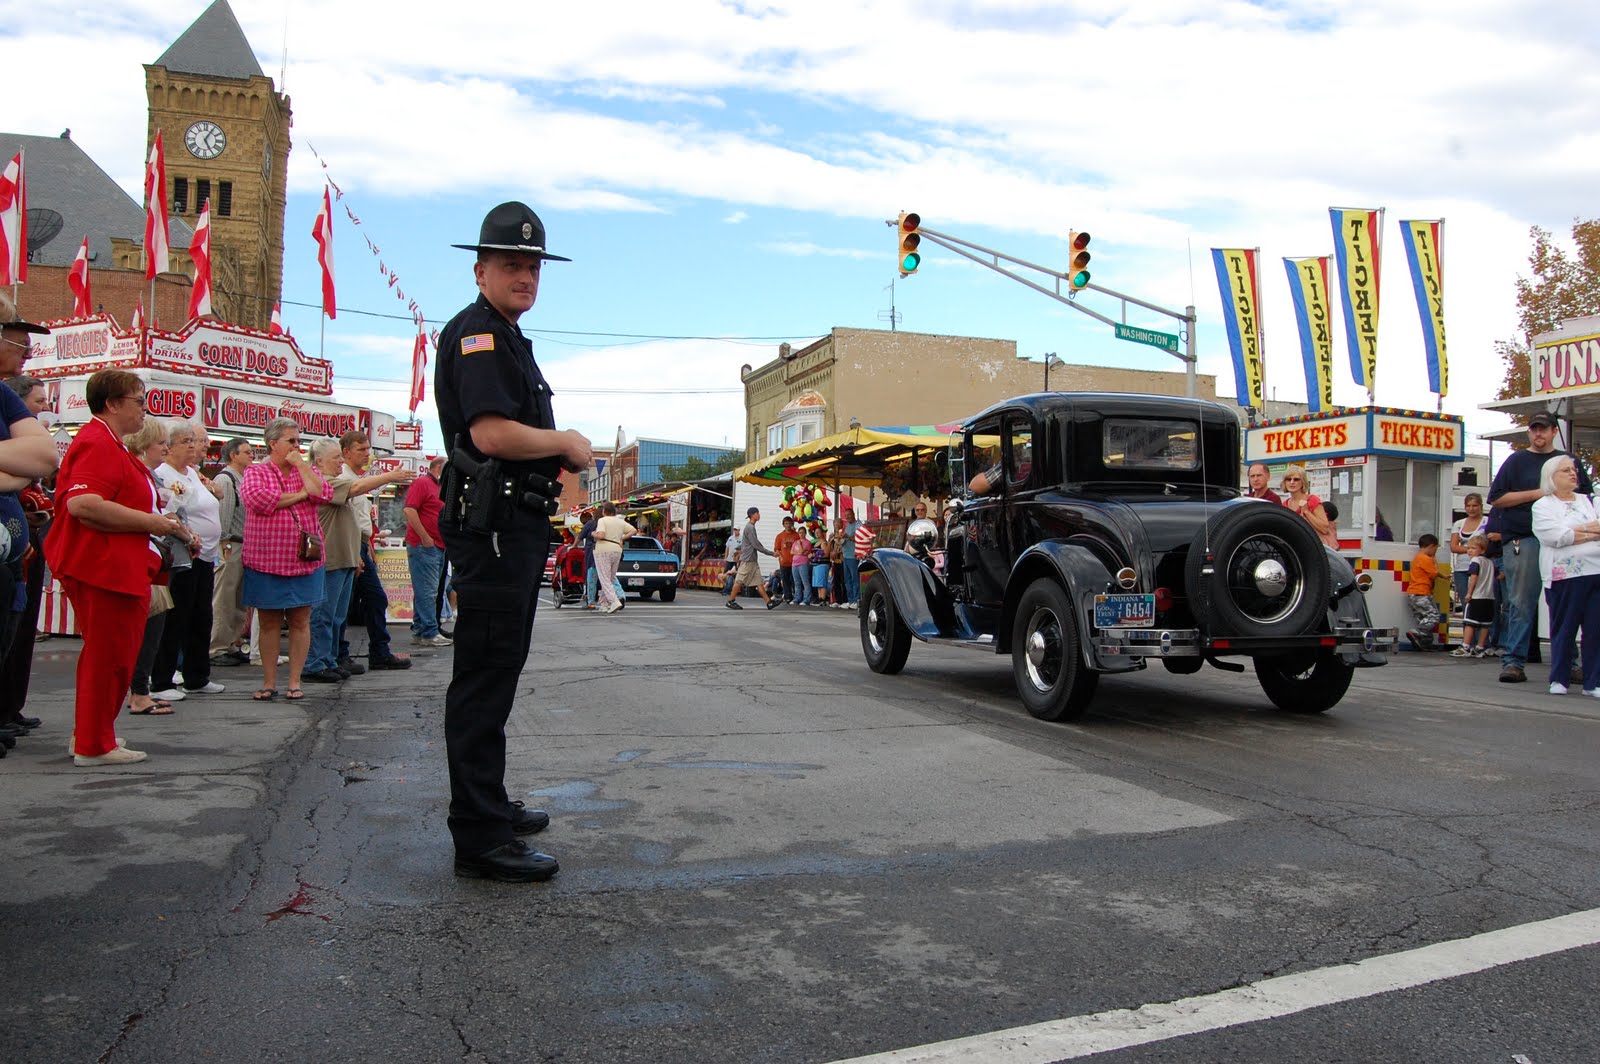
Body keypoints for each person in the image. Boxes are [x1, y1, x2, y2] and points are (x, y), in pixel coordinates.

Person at [435, 200, 593, 882]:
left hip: (510, 527)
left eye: (532, 265)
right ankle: (479, 836)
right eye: (511, 265)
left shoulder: (504, 334)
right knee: (485, 678)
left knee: (495, 676)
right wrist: (564, 442)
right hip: (494, 530)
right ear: (481, 271)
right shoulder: (480, 335)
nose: (525, 275)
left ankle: (489, 805)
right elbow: (491, 434)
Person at [45, 369, 184, 765]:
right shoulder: (97, 442)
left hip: (114, 565)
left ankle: (92, 735)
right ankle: (93, 744)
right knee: (110, 656)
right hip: (102, 567)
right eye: (140, 401)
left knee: (112, 655)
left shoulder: (107, 442)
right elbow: (83, 505)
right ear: (113, 403)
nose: (145, 409)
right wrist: (153, 523)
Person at [1486, 410, 1592, 684]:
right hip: (1525, 537)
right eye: (1534, 429)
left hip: (1567, 540)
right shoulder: (1517, 461)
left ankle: (1570, 663)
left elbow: (1585, 498)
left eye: (1543, 429)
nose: (1538, 434)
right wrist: (1541, 493)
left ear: (1554, 431)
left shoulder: (1569, 462)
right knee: (1521, 601)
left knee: (1565, 601)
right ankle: (1513, 661)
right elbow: (1496, 498)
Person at [239, 417, 333, 703]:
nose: (297, 445)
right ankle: (269, 682)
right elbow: (259, 501)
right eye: (291, 441)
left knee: (300, 620)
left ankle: (295, 681)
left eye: (298, 441)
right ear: (273, 444)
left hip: (304, 561)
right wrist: (301, 495)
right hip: (265, 559)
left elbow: (323, 493)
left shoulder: (306, 470)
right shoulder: (256, 472)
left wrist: (303, 468)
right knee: (268, 621)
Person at [149, 420, 225, 700]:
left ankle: (197, 675)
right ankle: (162, 679)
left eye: (194, 441)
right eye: (186, 441)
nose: (193, 446)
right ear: (169, 448)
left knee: (201, 617)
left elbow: (216, 496)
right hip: (182, 554)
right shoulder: (163, 474)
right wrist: (188, 535)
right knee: (175, 618)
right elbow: (167, 511)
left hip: (205, 555)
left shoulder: (193, 473)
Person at [1, 372, 53, 737]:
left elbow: (40, 460)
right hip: (16, 549)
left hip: (19, 554)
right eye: (36, 401)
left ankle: (8, 708)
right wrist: (17, 472)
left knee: (15, 633)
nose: (44, 407)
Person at [339, 430, 416, 671]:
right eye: (361, 449)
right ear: (346, 452)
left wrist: (370, 541)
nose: (366, 454)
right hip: (349, 546)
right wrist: (389, 475)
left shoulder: (355, 476)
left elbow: (360, 518)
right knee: (344, 604)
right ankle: (340, 654)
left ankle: (379, 651)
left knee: (375, 598)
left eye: (368, 449)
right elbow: (355, 489)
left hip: (361, 544)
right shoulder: (344, 476)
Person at [1530, 454, 1600, 696]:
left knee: (1595, 629)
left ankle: (1593, 682)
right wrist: (1590, 532)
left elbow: (1568, 534)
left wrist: (1573, 531)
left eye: (1573, 469)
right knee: (1564, 628)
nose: (1573, 473)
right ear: (1551, 477)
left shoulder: (1590, 501)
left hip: (1595, 571)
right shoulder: (1543, 505)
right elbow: (1555, 537)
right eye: (1565, 470)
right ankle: (1559, 678)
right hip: (1563, 575)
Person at [124, 419, 180, 715]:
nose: (165, 449)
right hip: (141, 558)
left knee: (152, 626)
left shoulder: (147, 474)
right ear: (144, 444)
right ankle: (138, 692)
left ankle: (141, 689)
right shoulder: (135, 472)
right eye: (160, 443)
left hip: (154, 559)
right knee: (140, 630)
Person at [304, 439, 364, 683]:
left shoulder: (332, 481)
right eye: (336, 457)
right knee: (323, 615)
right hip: (330, 560)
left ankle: (328, 659)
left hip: (345, 558)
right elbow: (356, 488)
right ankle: (315, 662)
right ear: (319, 461)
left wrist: (356, 555)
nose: (341, 461)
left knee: (337, 616)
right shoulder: (322, 483)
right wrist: (391, 475)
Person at [208, 438, 254, 666]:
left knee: (238, 599)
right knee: (225, 597)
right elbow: (223, 515)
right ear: (233, 455)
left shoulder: (242, 479)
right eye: (246, 452)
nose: (251, 455)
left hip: (243, 544)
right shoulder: (226, 480)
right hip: (231, 543)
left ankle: (233, 642)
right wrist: (224, 542)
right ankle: (217, 647)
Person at [404, 456, 451, 646]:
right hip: (425, 545)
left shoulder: (439, 488)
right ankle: (429, 632)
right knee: (428, 591)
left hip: (437, 545)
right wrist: (425, 537)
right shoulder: (423, 483)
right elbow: (409, 510)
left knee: (429, 590)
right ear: (439, 469)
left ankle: (421, 628)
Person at [725, 505, 779, 610]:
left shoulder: (751, 527)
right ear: (752, 515)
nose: (759, 515)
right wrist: (772, 553)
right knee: (739, 581)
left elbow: (746, 544)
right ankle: (731, 600)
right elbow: (756, 545)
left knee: (758, 582)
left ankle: (769, 602)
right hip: (748, 560)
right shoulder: (750, 527)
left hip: (752, 560)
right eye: (757, 513)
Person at [1451, 534, 1495, 659]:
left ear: (1482, 550)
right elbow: (1497, 576)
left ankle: (1465, 646)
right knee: (1484, 624)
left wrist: (1469, 593)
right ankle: (1480, 647)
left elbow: (1473, 577)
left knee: (1470, 622)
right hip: (1489, 597)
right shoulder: (1490, 562)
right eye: (1468, 548)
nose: (1469, 550)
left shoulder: (1475, 561)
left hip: (1477, 596)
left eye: (1473, 548)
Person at [1279, 464, 1339, 549]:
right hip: (1295, 547)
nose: (1292, 482)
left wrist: (1307, 512)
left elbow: (1324, 528)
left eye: (1296, 479)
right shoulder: (1285, 504)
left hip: (1314, 548)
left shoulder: (1312, 500)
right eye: (1288, 479)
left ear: (1303, 482)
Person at [591, 502, 635, 614]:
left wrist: (593, 534)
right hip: (617, 548)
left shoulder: (602, 520)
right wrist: (622, 538)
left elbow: (601, 535)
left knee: (604, 578)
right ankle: (603, 603)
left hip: (603, 549)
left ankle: (614, 601)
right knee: (610, 577)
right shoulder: (620, 521)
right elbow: (633, 530)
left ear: (604, 511)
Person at [1403, 534, 1444, 652]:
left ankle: (1424, 642)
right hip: (1421, 593)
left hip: (1414, 593)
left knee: (1422, 617)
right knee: (1433, 616)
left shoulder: (1418, 558)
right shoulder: (1426, 558)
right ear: (1432, 546)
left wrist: (1444, 576)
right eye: (1435, 549)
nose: (1435, 552)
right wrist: (1434, 560)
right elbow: (1434, 573)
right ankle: (1418, 632)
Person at [1448, 493, 1487, 608]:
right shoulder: (1459, 524)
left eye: (1474, 505)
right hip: (1462, 568)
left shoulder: (1487, 521)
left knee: (1481, 602)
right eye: (1468, 506)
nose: (1471, 509)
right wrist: (1473, 549)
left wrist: (1467, 549)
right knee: (1466, 602)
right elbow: (1453, 547)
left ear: (1481, 506)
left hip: (1481, 567)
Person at [773, 515, 799, 606]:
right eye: (786, 523)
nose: (788, 525)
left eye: (789, 523)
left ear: (792, 524)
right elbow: (776, 549)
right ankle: (788, 597)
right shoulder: (780, 536)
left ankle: (796, 596)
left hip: (795, 562)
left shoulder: (796, 535)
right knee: (785, 580)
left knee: (795, 580)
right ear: (783, 525)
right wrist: (780, 556)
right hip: (784, 562)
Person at [841, 506, 862, 607]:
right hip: (845, 555)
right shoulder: (847, 526)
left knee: (855, 579)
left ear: (853, 514)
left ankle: (856, 600)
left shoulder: (858, 524)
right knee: (847, 579)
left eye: (849, 515)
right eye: (846, 516)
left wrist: (848, 537)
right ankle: (850, 600)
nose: (847, 517)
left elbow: (860, 538)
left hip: (854, 556)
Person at [788, 526, 811, 605]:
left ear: (805, 533)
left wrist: (800, 545)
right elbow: (791, 552)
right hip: (795, 563)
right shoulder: (795, 542)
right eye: (800, 533)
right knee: (797, 582)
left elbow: (802, 551)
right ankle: (797, 598)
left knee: (805, 581)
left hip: (803, 563)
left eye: (803, 533)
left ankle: (806, 599)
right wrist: (798, 552)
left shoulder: (807, 542)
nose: (801, 534)